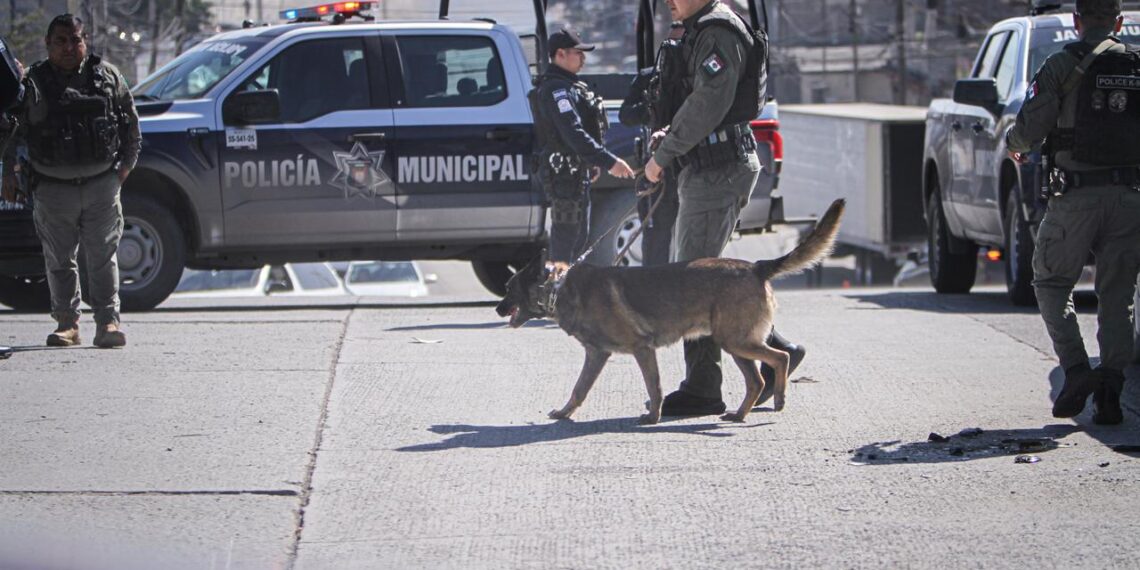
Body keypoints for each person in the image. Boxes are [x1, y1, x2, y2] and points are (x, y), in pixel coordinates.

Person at [640, 0, 805, 416]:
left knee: (693, 283)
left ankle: (702, 388)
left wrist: (663, 155)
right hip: (709, 167)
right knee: (701, 281)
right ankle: (776, 351)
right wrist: (670, 135)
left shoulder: (718, 30)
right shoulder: (702, 27)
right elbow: (695, 101)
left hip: (719, 170)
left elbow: (709, 103)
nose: (668, 2)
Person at [1007, 0, 1140, 425]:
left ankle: (1078, 370)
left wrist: (1015, 144)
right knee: (1118, 295)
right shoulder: (1137, 65)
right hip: (1130, 198)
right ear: (1119, 22)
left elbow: (1029, 131)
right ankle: (1111, 389)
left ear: (1077, 21)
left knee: (1050, 282)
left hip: (1075, 198)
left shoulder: (1061, 65)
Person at [1, 14, 141, 349]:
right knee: (59, 260)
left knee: (102, 257)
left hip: (100, 184)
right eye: (61, 41)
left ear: (85, 41)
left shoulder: (106, 76)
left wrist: (124, 168)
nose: (69, 47)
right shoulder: (32, 82)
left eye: (75, 40)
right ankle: (67, 324)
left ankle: (108, 322)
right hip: (52, 186)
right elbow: (10, 129)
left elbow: (130, 123)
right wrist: (8, 172)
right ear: (48, 45)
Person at [530, 28, 634, 264]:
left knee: (578, 237)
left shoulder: (569, 86)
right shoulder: (557, 90)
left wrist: (590, 162)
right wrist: (609, 162)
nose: (583, 59)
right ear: (560, 54)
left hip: (575, 172)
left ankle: (568, 292)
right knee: (567, 240)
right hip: (564, 174)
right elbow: (573, 133)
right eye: (578, 53)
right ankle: (559, 294)